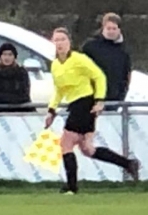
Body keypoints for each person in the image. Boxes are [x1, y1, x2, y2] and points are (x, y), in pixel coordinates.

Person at [44, 27, 139, 194]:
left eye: (63, 39)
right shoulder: (55, 65)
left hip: (85, 103)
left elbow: (99, 76)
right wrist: (51, 110)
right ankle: (128, 164)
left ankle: (71, 187)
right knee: (87, 149)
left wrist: (100, 100)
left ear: (69, 42)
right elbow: (59, 90)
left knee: (66, 143)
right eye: (56, 40)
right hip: (75, 104)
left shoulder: (79, 59)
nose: (60, 43)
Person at [82, 12, 132, 109]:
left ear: (119, 30)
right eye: (108, 28)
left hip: (115, 99)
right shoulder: (90, 47)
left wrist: (122, 94)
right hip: (92, 98)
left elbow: (127, 73)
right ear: (103, 28)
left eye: (114, 28)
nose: (111, 31)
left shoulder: (124, 50)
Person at [0, 42, 31, 111]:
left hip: (20, 110)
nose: (7, 58)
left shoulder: (21, 71)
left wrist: (5, 98)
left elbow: (24, 95)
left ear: (14, 57)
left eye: (10, 55)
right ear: (0, 56)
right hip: (0, 110)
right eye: (4, 54)